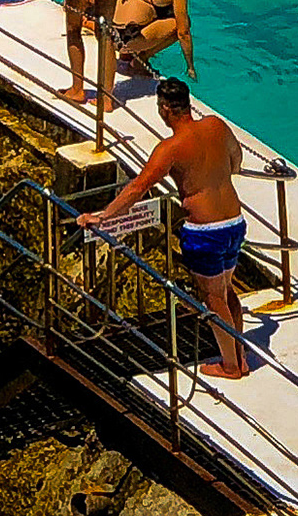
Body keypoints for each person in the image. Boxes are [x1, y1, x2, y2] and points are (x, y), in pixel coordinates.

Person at [78, 76, 248, 377]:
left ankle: (232, 365)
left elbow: (137, 188)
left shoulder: (170, 147)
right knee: (227, 289)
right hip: (235, 223)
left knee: (213, 297)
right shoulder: (216, 126)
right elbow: (236, 160)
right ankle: (240, 355)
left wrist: (103, 216)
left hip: (205, 232)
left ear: (165, 109)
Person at [109, 0, 197, 83]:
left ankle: (128, 55)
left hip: (111, 35)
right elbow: (183, 33)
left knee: (155, 13)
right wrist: (190, 66)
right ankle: (141, 59)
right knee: (180, 24)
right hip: (125, 41)